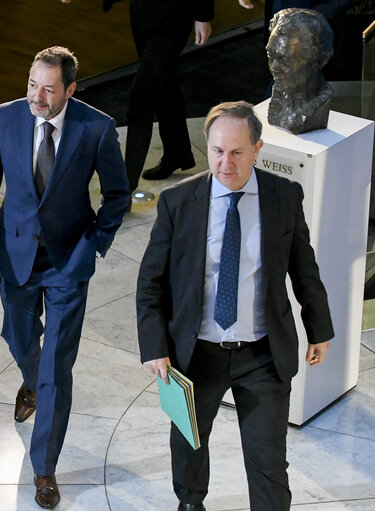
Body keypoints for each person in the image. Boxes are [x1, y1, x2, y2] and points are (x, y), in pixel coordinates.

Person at [136, 101, 334, 511]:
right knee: (189, 448)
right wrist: (155, 345)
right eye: (217, 151)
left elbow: (303, 267)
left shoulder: (283, 196)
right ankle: (190, 504)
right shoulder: (178, 202)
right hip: (195, 358)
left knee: (268, 465)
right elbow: (151, 281)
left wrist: (320, 328)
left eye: (237, 152)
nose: (226, 163)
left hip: (263, 356)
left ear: (258, 148)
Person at [0, 46, 130, 509]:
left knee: (57, 365)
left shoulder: (95, 128)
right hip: (13, 256)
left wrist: (94, 245)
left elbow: (118, 195)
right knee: (18, 338)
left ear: (70, 90)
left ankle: (44, 469)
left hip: (67, 262)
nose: (37, 95)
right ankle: (30, 381)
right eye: (33, 84)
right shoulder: (3, 119)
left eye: (49, 88)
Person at [122, 0, 213, 186]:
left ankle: (123, 189)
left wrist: (203, 15)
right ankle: (177, 153)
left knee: (141, 95)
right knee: (164, 83)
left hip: (175, 15)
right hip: (141, 12)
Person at [266, 8, 334, 134]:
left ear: (321, 60)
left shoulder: (318, 104)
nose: (274, 68)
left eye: (285, 60)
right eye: (271, 56)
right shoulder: (279, 98)